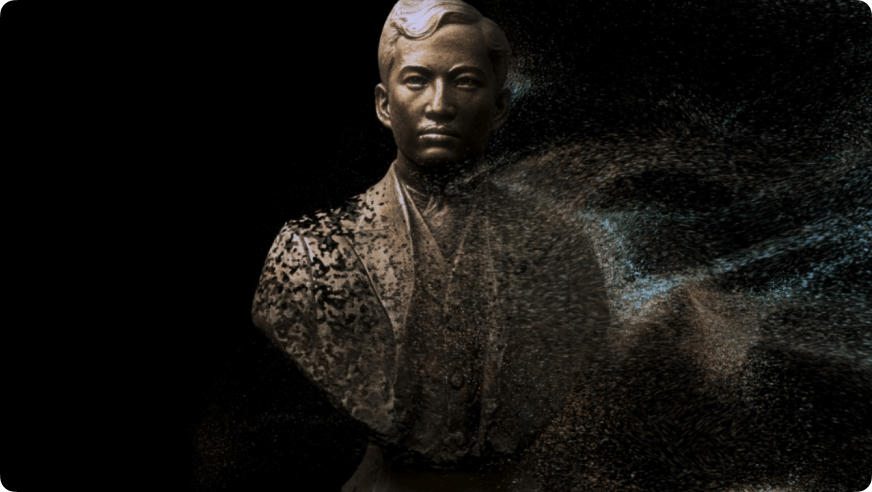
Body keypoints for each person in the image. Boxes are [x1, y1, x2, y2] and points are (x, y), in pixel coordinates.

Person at [251, 0, 610, 489]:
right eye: (417, 80)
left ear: (500, 107)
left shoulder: (560, 252)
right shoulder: (310, 251)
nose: (440, 105)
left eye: (465, 81)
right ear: (384, 104)